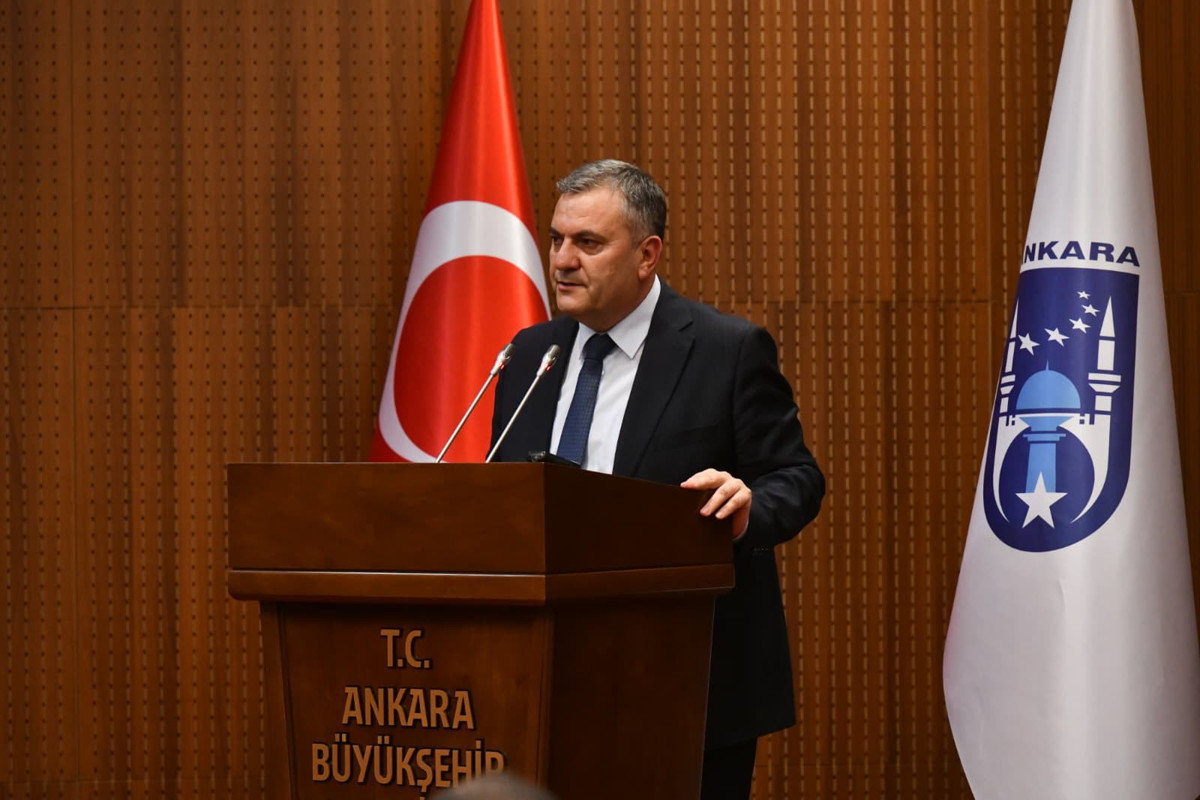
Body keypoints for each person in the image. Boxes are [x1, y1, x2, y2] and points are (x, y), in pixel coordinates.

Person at [489, 160, 824, 800]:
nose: (562, 261)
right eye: (556, 239)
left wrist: (749, 508)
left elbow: (796, 476)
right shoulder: (531, 353)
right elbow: (506, 497)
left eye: (588, 243)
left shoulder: (726, 349)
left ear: (647, 255)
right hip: (545, 674)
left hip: (688, 679)